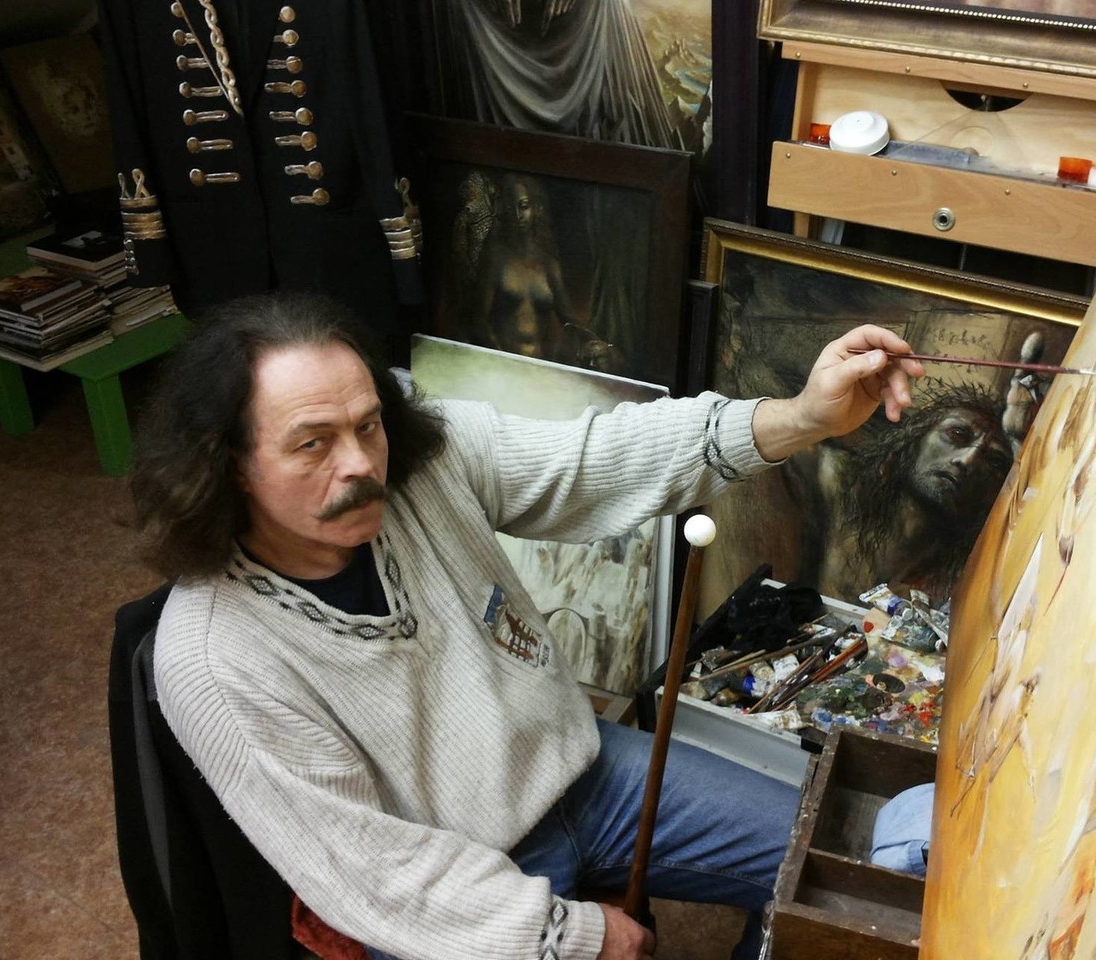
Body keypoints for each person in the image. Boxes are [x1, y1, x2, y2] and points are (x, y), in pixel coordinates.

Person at [129, 291, 922, 960]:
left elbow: (591, 459)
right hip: (449, 883)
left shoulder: (422, 458)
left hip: (585, 774)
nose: (361, 465)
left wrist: (801, 417)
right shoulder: (213, 658)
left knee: (857, 880)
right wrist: (573, 937)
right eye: (312, 444)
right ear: (228, 463)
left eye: (367, 425)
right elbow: (380, 875)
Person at [808, 384, 1015, 600]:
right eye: (956, 434)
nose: (966, 461)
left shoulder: (955, 575)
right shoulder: (827, 478)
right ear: (914, 437)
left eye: (994, 461)